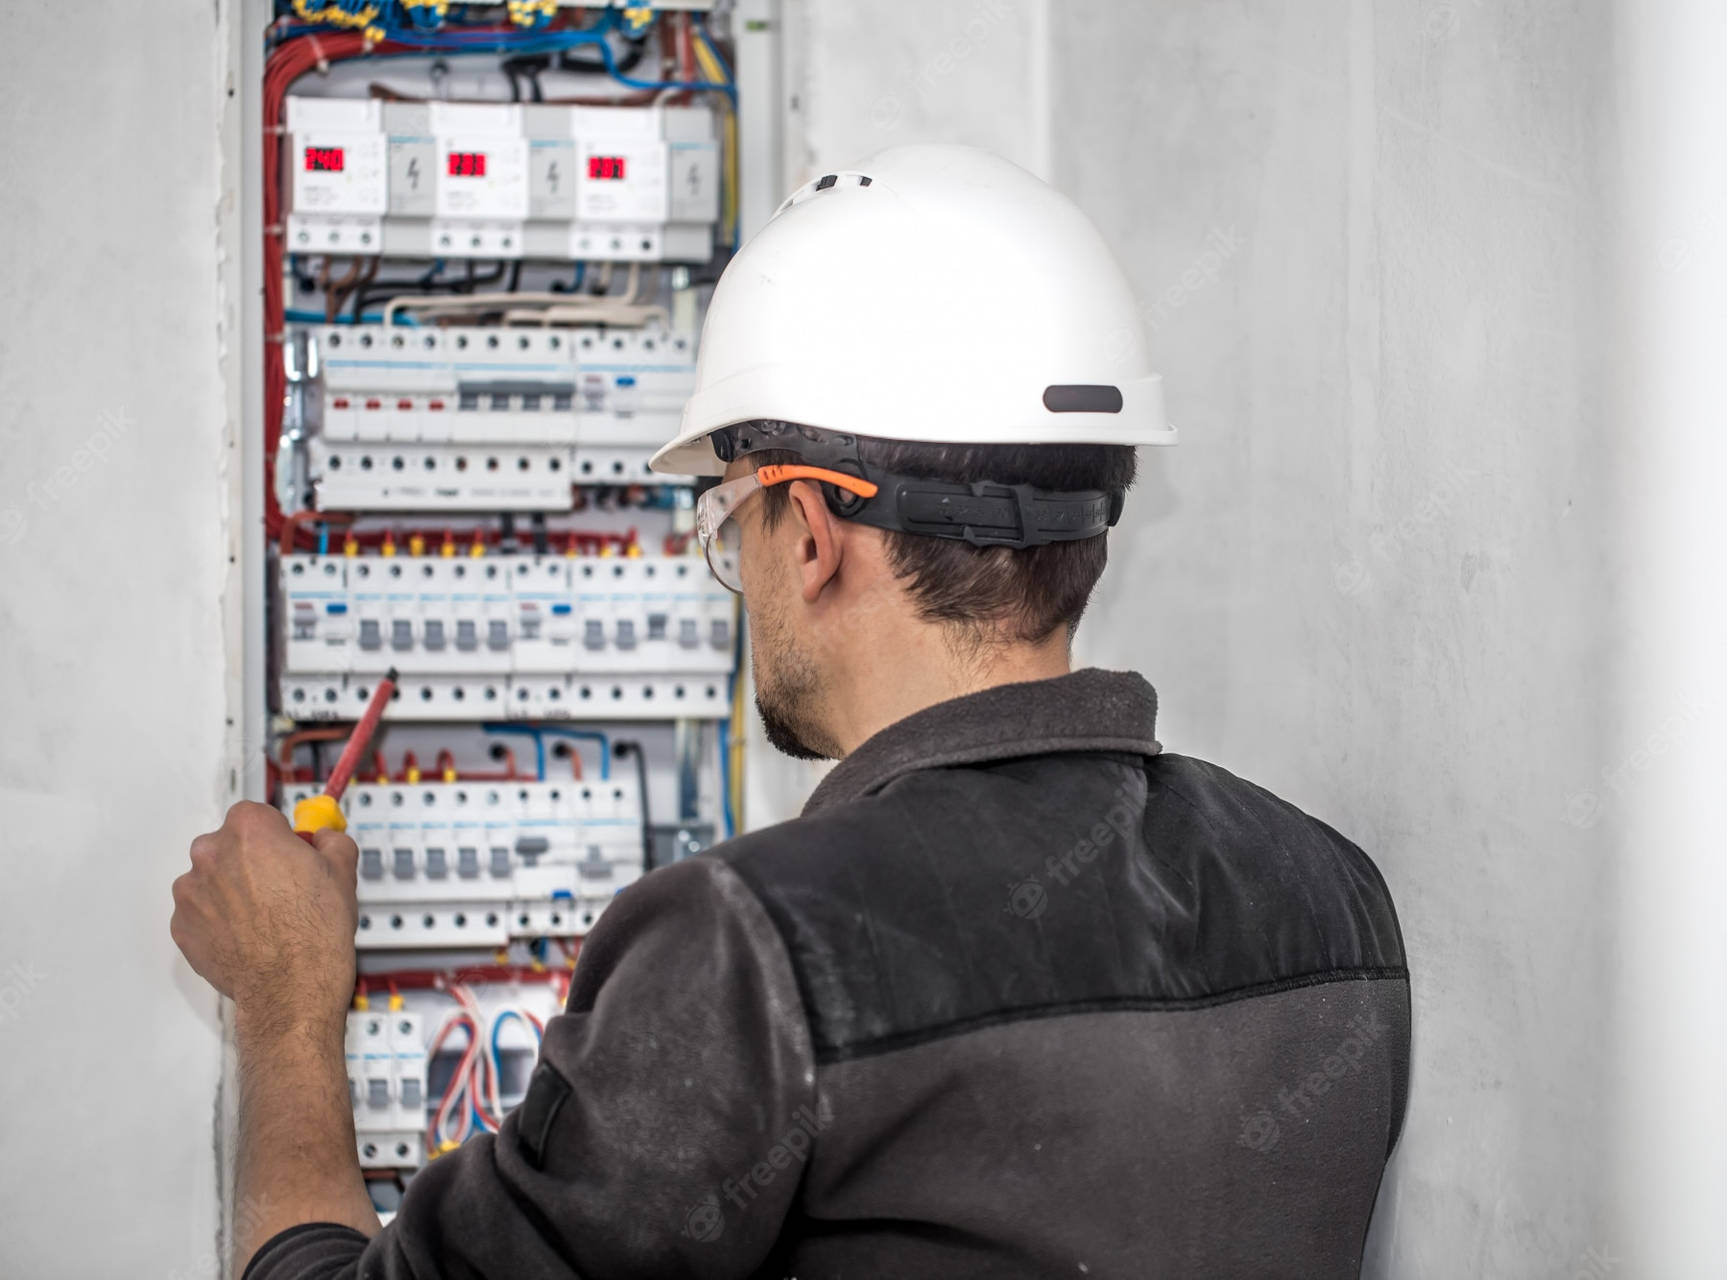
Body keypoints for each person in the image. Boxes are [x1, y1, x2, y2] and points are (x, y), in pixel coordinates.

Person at [172, 144, 1410, 1280]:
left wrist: (287, 1003)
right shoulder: (1333, 898)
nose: (739, 570)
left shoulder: (755, 947)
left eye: (729, 519)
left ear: (811, 531)